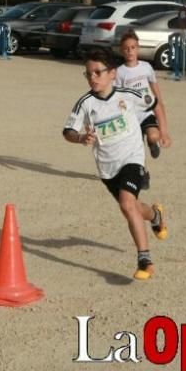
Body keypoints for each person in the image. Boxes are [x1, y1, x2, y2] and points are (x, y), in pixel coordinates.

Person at [62, 49, 168, 281]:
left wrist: (160, 130)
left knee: (126, 203)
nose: (93, 78)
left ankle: (145, 260)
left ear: (112, 74)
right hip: (107, 167)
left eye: (98, 72)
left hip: (132, 157)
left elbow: (153, 104)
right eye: (88, 74)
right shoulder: (85, 103)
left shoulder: (129, 95)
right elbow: (68, 131)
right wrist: (80, 137)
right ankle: (156, 216)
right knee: (131, 207)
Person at [115, 30, 173, 163]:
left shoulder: (146, 67)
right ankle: (142, 174)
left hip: (146, 112)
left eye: (133, 47)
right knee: (136, 150)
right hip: (131, 115)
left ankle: (152, 143)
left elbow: (157, 96)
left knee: (153, 136)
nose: (130, 51)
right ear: (121, 50)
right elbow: (117, 97)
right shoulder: (119, 72)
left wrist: (164, 132)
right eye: (126, 48)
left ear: (138, 48)